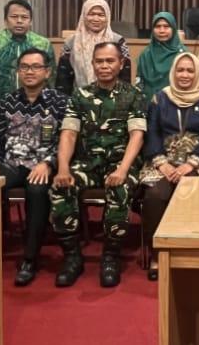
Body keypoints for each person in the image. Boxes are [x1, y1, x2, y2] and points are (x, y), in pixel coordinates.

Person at [51, 42, 146, 287]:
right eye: (99, 61)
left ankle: (110, 256)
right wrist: (63, 168)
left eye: (110, 61)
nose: (104, 66)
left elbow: (136, 135)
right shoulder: (80, 95)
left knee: (120, 188)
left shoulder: (133, 95)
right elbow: (69, 133)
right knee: (61, 187)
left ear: (121, 64)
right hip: (88, 164)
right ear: (92, 64)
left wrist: (123, 169)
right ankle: (72, 257)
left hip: (120, 163)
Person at [0, 48, 68, 287]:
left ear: (47, 71)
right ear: (18, 71)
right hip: (11, 163)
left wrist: (49, 163)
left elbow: (66, 139)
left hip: (42, 164)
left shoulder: (61, 103)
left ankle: (30, 258)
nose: (30, 72)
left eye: (36, 67)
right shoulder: (5, 103)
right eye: (25, 67)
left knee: (37, 191)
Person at [139, 52, 199, 280]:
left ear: (197, 74)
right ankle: (158, 256)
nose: (185, 75)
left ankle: (188, 252)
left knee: (193, 191)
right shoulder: (160, 98)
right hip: (162, 161)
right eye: (180, 70)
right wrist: (162, 163)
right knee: (155, 195)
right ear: (173, 72)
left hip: (197, 161)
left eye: (190, 70)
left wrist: (191, 163)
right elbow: (152, 132)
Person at [0, 0, 56, 106]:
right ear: (5, 20)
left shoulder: (43, 44)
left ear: (31, 21)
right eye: (14, 17)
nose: (19, 21)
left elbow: (51, 79)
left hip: (36, 104)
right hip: (0, 105)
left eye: (24, 17)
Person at [56, 0, 132, 95]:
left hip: (113, 100)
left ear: (107, 17)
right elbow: (63, 80)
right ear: (84, 16)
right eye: (91, 14)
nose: (96, 19)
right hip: (78, 100)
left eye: (101, 15)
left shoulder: (118, 41)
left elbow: (125, 78)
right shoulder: (71, 42)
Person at [136, 11, 186, 102]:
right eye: (157, 26)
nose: (162, 30)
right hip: (149, 103)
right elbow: (140, 82)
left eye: (166, 26)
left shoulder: (183, 54)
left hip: (176, 102)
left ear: (173, 28)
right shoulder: (146, 54)